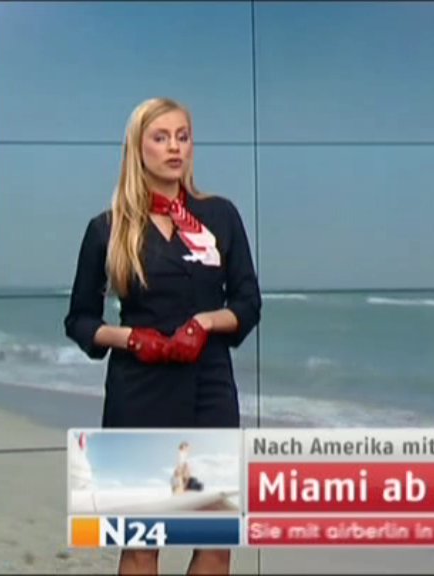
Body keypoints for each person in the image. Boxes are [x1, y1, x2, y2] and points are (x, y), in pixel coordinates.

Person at [64, 97, 261, 575]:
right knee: (140, 544)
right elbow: (80, 320)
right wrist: (133, 338)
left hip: (210, 388)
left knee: (215, 542)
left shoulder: (220, 216)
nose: (175, 147)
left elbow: (248, 303)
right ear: (139, 147)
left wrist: (204, 323)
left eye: (182, 137)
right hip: (139, 391)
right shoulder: (108, 228)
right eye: (161, 137)